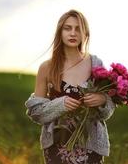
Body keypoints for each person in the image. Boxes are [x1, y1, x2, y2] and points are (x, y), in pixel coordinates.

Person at [25, 9, 116, 164]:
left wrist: (102, 100)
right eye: (68, 28)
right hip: (57, 145)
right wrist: (60, 105)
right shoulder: (47, 67)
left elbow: (108, 110)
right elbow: (35, 112)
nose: (73, 33)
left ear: (85, 34)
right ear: (60, 32)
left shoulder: (96, 64)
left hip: (91, 145)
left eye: (78, 29)